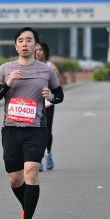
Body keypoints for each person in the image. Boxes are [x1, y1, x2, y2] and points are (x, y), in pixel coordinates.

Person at [0, 27, 64, 219]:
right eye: (20, 40)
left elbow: (59, 94)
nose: (24, 43)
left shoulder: (46, 71)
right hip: (11, 129)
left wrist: (52, 97)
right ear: (16, 45)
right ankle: (26, 208)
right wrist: (7, 85)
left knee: (31, 171)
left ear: (35, 45)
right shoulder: (5, 69)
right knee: (15, 179)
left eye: (29, 40)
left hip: (36, 129)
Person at [35, 41, 60, 171]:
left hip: (48, 104)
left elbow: (58, 88)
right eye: (35, 50)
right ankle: (38, 160)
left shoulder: (51, 67)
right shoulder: (31, 66)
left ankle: (48, 154)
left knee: (46, 131)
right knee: (35, 131)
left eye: (40, 49)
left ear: (45, 52)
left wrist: (51, 94)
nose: (37, 52)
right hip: (33, 104)